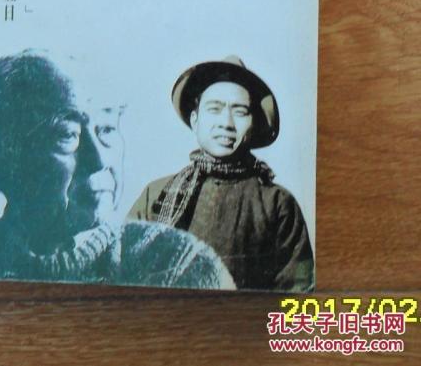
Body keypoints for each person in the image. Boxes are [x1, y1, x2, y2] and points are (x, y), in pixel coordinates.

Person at [0, 50, 234, 290]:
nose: (99, 160)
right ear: (3, 165)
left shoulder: (179, 264)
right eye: (67, 134)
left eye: (107, 129)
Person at [128, 55, 314, 292]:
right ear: (195, 120)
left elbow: (297, 293)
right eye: (214, 109)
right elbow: (123, 274)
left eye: (240, 112)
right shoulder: (156, 195)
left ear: (253, 123)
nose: (226, 123)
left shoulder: (277, 203)